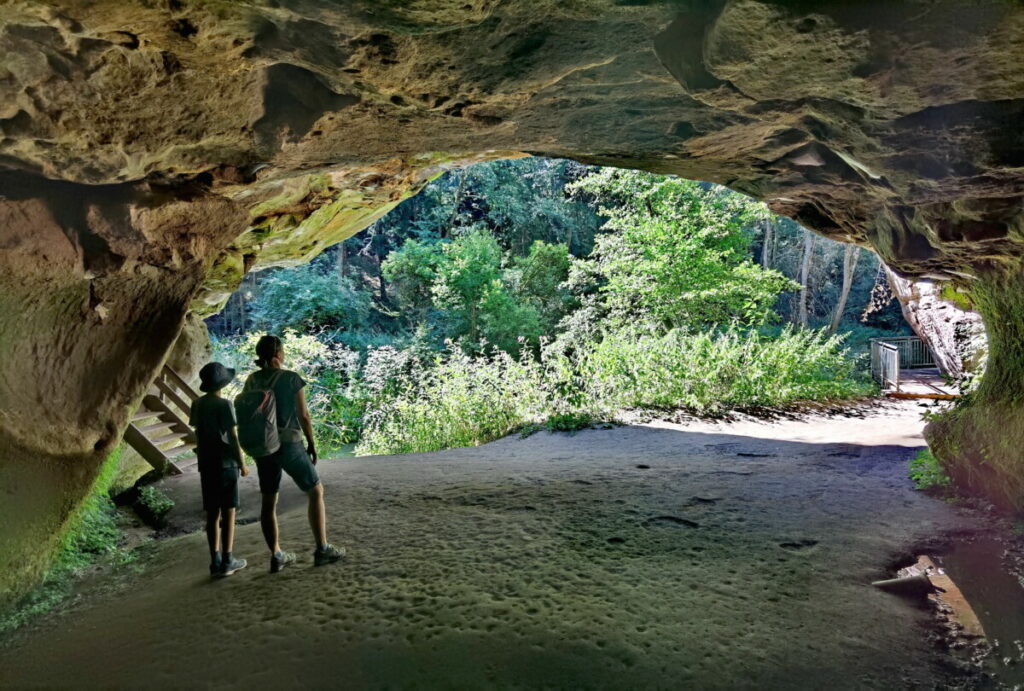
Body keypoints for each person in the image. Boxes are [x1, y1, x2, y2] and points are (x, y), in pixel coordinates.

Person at [244, 334, 345, 573]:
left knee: (269, 501)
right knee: (315, 490)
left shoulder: (251, 381)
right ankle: (322, 549)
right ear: (279, 354)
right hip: (289, 443)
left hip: (264, 445)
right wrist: (311, 443)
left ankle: (277, 555)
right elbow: (304, 416)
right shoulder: (291, 379)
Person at [189, 362, 249, 578]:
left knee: (212, 513)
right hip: (225, 463)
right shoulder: (225, 404)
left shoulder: (197, 404)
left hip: (206, 463)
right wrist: (241, 462)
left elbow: (198, 432)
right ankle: (227, 559)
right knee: (229, 511)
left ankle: (214, 561)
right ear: (223, 383)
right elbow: (232, 436)